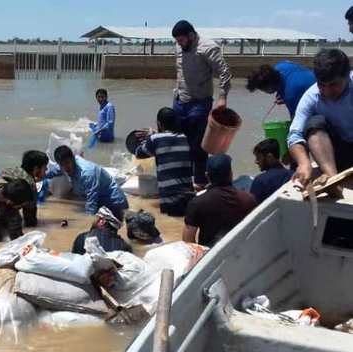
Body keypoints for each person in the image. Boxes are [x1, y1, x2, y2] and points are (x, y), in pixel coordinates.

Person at [171, 20, 232, 188]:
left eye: (181, 40)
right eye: (177, 41)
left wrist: (222, 97)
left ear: (191, 36)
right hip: (180, 101)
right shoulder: (179, 47)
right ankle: (181, 178)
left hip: (199, 103)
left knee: (198, 145)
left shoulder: (208, 48)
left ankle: (199, 180)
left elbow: (225, 73)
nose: (179, 44)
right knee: (178, 143)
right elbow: (180, 71)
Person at [287, 49, 353, 188]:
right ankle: (334, 181)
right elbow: (294, 135)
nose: (327, 91)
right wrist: (304, 163)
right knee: (314, 123)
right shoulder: (311, 96)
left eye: (334, 85)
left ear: (347, 76)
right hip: (338, 152)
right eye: (322, 85)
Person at [130, 107, 194, 216]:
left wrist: (149, 137)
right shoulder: (185, 137)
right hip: (190, 199)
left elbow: (138, 153)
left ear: (159, 124)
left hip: (169, 201)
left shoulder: (155, 139)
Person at [183, 154, 257, 247]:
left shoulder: (197, 203)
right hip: (242, 255)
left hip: (211, 256)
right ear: (231, 174)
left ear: (207, 175)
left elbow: (188, 241)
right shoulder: (249, 199)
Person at [48, 146, 129, 220]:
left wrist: (86, 223)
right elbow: (53, 172)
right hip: (99, 203)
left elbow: (91, 204)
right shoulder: (63, 166)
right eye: (62, 164)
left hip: (114, 204)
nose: (65, 167)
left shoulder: (87, 173)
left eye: (67, 163)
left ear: (73, 159)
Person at [246, 62, 316, 118]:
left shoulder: (291, 95)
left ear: (270, 85)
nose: (264, 92)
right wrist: (282, 93)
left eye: (263, 89)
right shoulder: (281, 65)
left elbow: (297, 121)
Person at [0, 150, 49, 227]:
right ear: (36, 168)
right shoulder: (30, 186)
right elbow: (30, 218)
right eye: (45, 167)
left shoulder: (10, 170)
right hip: (1, 214)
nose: (46, 169)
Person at [250, 138, 294, 203]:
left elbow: (252, 207)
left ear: (269, 157)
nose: (256, 161)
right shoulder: (293, 175)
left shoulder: (260, 181)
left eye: (258, 157)